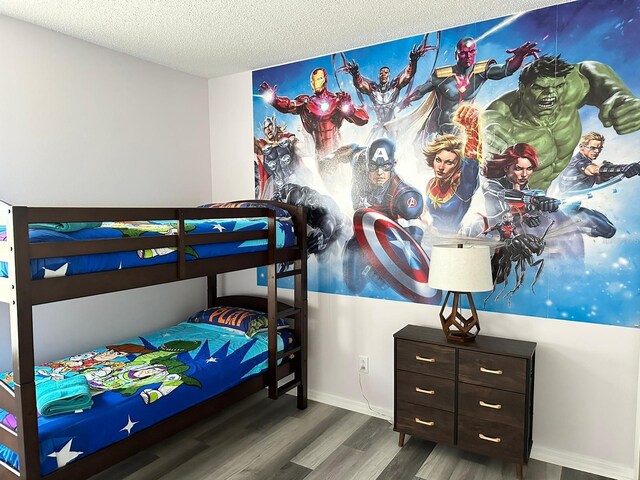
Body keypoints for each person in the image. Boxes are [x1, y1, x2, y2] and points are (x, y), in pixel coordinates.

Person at [482, 55, 640, 191]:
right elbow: (483, 127)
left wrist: (620, 95)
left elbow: (588, 69)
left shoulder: (568, 93)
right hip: (511, 204)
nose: (550, 94)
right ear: (523, 88)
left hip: (546, 198)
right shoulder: (501, 118)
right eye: (540, 88)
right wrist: (481, 144)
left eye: (557, 86)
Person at [395, 37, 539, 143]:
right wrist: (404, 102)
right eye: (464, 53)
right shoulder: (442, 75)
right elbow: (420, 91)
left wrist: (519, 56)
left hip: (461, 131)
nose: (468, 56)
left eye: (471, 52)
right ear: (456, 54)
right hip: (437, 130)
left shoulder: (481, 71)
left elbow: (506, 70)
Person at [258, 68, 368, 159]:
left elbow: (364, 119)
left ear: (325, 79)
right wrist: (275, 100)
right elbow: (288, 105)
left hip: (339, 152)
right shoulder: (306, 103)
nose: (315, 83)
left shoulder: (338, 100)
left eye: (319, 79)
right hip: (320, 157)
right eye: (312, 81)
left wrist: (350, 111)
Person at [554, 132, 640, 238]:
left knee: (610, 229)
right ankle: (569, 229)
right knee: (607, 231)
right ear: (582, 147)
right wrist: (623, 168)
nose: (596, 152)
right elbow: (594, 170)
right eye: (593, 148)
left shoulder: (585, 162)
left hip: (573, 208)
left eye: (599, 149)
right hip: (564, 210)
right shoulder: (578, 163)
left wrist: (626, 170)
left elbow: (600, 178)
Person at [345, 43, 426, 140]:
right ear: (378, 76)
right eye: (381, 73)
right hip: (379, 124)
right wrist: (355, 74)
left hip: (392, 124)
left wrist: (413, 61)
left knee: (397, 148)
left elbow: (408, 76)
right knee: (368, 146)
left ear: (389, 75)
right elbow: (360, 85)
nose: (383, 74)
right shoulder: (373, 90)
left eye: (386, 72)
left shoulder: (395, 87)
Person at [422, 105, 481, 233]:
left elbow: (471, 166)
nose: (441, 167)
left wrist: (472, 133)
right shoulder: (431, 183)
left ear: (457, 166)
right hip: (429, 239)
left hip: (452, 240)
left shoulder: (462, 190)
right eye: (438, 160)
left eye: (449, 162)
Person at [253, 115, 310, 199]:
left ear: (275, 125)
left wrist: (306, 134)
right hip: (277, 191)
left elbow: (307, 150)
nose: (268, 129)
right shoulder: (263, 147)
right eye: (265, 128)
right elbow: (251, 143)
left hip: (297, 184)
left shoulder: (289, 139)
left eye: (270, 125)